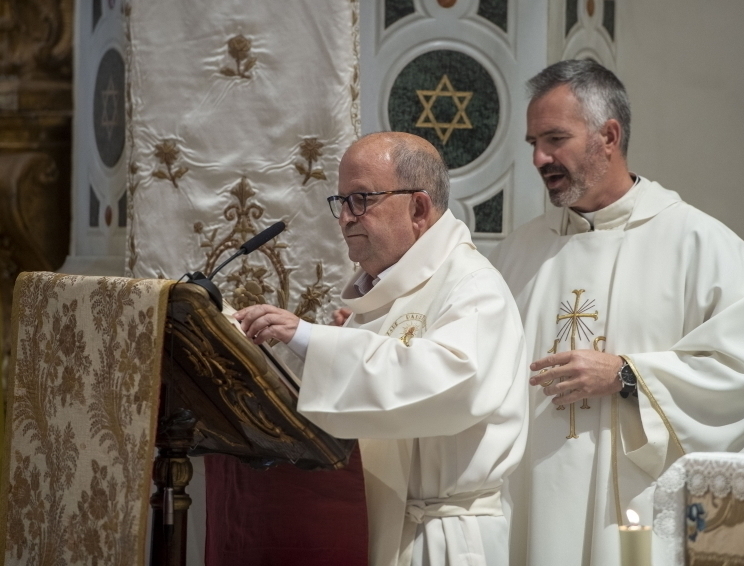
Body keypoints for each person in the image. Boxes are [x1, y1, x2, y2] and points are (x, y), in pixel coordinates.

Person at [489, 59, 744, 565]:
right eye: (534, 143)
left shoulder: (701, 245)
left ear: (609, 136)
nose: (539, 158)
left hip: (642, 510)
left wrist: (628, 375)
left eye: (555, 139)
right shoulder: (516, 255)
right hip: (533, 501)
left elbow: (735, 374)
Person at [234, 131, 529, 566]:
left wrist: (309, 338)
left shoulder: (473, 286)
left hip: (443, 537)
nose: (345, 218)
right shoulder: (384, 291)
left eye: (361, 200)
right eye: (341, 202)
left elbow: (449, 384)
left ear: (418, 208)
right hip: (376, 522)